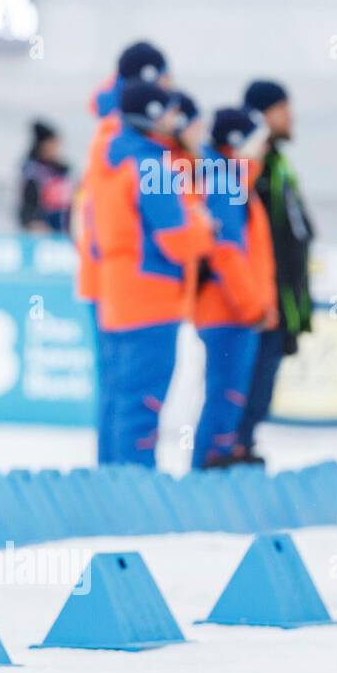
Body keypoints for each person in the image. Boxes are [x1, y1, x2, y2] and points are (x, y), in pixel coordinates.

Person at [93, 80, 213, 467]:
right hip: (152, 297)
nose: (175, 121)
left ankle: (110, 485)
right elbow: (177, 239)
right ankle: (132, 494)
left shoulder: (111, 156)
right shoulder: (151, 164)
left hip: (117, 294)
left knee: (119, 401)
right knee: (143, 404)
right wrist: (205, 228)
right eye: (168, 112)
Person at [74, 40, 171, 464]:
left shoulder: (108, 132)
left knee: (118, 391)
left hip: (107, 277)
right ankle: (128, 489)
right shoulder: (130, 141)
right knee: (134, 397)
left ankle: (112, 484)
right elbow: (168, 225)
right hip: (130, 280)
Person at [187, 102, 278, 468]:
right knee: (225, 398)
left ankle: (215, 465)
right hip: (227, 312)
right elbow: (227, 255)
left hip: (232, 311)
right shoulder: (224, 183)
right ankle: (207, 470)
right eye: (258, 140)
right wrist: (253, 307)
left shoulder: (232, 180)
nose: (264, 148)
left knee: (228, 397)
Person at [235, 79, 314, 464]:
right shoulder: (249, 164)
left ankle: (243, 449)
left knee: (260, 391)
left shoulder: (278, 163)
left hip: (279, 301)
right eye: (284, 109)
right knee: (242, 390)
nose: (291, 116)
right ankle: (230, 455)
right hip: (258, 303)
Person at [18, 120, 72, 233]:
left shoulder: (62, 170)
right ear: (43, 145)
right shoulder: (33, 172)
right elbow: (28, 206)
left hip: (63, 230)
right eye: (53, 144)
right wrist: (32, 223)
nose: (57, 148)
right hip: (43, 233)